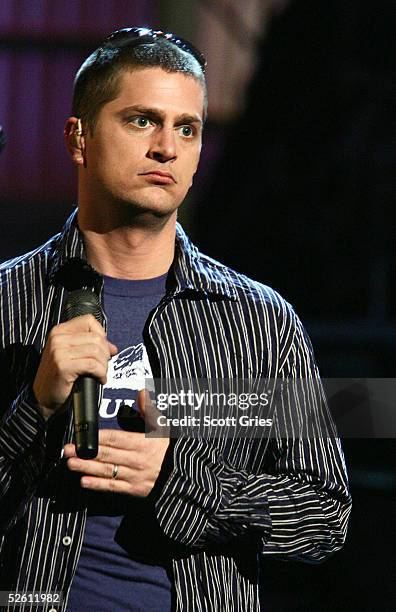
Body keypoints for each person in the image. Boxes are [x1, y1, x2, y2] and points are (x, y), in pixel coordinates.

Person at [0, 27, 351, 611]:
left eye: (186, 128)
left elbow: (324, 516)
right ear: (78, 139)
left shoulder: (261, 323)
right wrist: (33, 409)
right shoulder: (9, 302)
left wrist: (178, 481)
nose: (167, 147)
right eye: (141, 121)